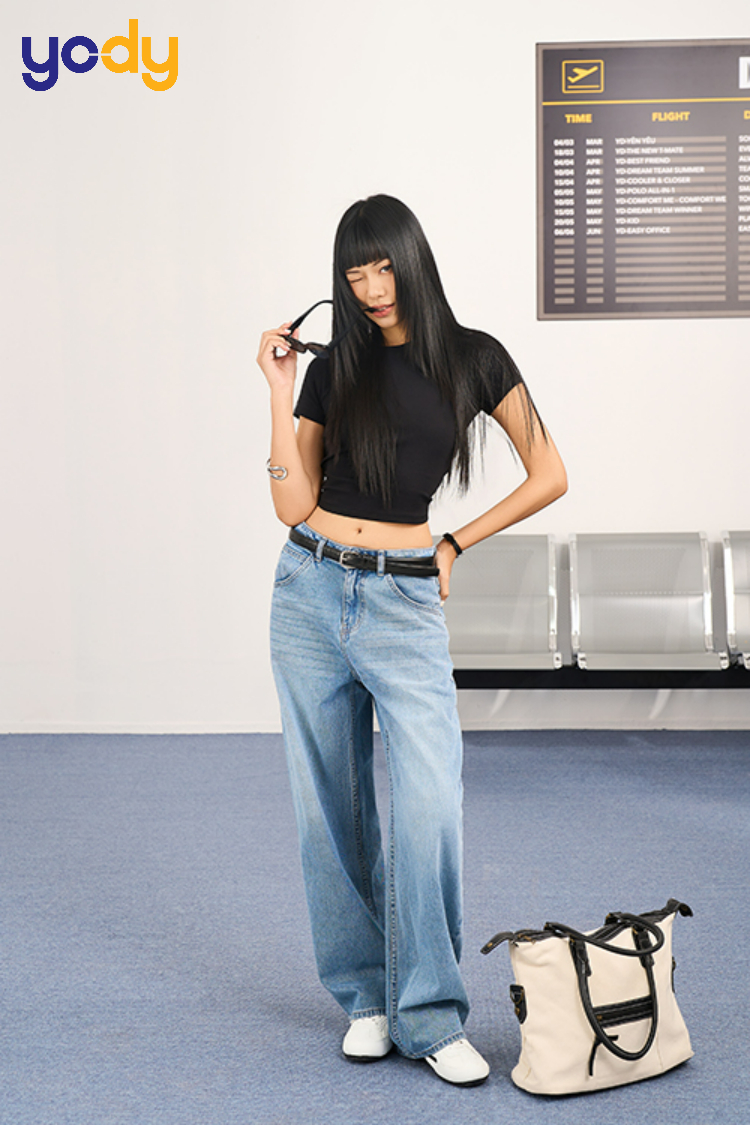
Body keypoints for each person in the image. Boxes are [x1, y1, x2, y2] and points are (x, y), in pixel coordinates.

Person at [256, 195, 567, 1087]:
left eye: (383, 267)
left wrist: (457, 540)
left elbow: (550, 472)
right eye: (354, 274)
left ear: (412, 259)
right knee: (330, 809)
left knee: (429, 807)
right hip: (309, 591)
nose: (371, 288)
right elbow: (290, 501)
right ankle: (366, 998)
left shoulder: (476, 359)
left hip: (402, 598)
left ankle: (428, 1010)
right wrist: (277, 390)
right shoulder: (333, 367)